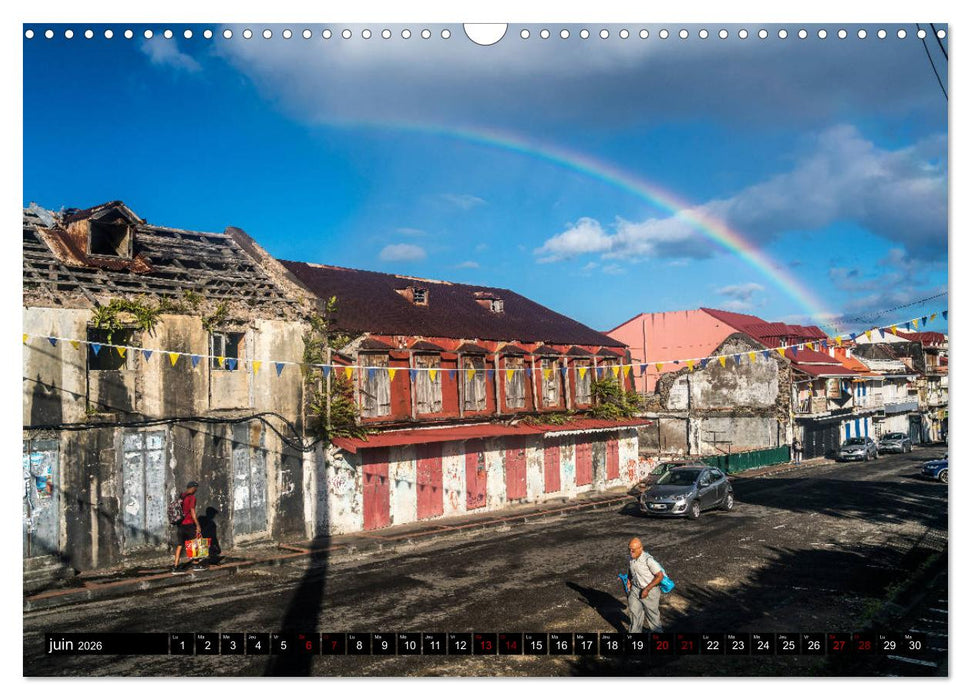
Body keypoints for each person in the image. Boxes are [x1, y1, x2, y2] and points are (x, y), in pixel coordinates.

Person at [625, 537, 664, 633]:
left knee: (653, 618)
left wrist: (647, 589)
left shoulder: (648, 560)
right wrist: (629, 580)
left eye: (633, 550)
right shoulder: (631, 558)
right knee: (634, 615)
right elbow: (630, 569)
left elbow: (660, 576)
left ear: (640, 548)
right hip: (635, 589)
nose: (630, 552)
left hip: (650, 591)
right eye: (629, 549)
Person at [172, 480, 203, 573]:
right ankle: (196, 564)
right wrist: (197, 525)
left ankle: (175, 566)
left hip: (180, 524)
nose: (196, 490)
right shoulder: (191, 498)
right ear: (193, 488)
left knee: (180, 545)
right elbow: (192, 512)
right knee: (195, 543)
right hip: (189, 524)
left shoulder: (181, 496)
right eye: (196, 488)